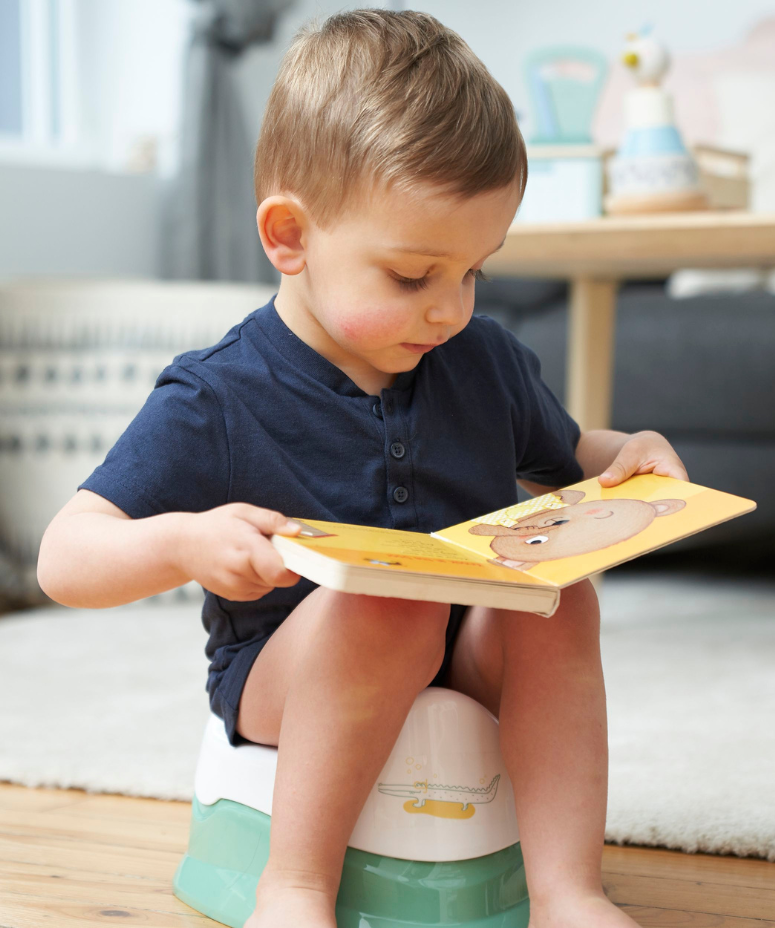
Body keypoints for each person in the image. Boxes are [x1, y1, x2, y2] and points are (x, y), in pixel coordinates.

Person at [37, 10, 688, 928]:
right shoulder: (216, 396)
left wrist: (633, 460)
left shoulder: (484, 359)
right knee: (388, 601)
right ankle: (295, 886)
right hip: (289, 669)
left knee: (561, 597)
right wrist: (185, 542)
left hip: (464, 646)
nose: (451, 310)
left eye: (476, 272)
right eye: (414, 277)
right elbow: (65, 557)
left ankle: (567, 892)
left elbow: (572, 457)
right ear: (290, 238)